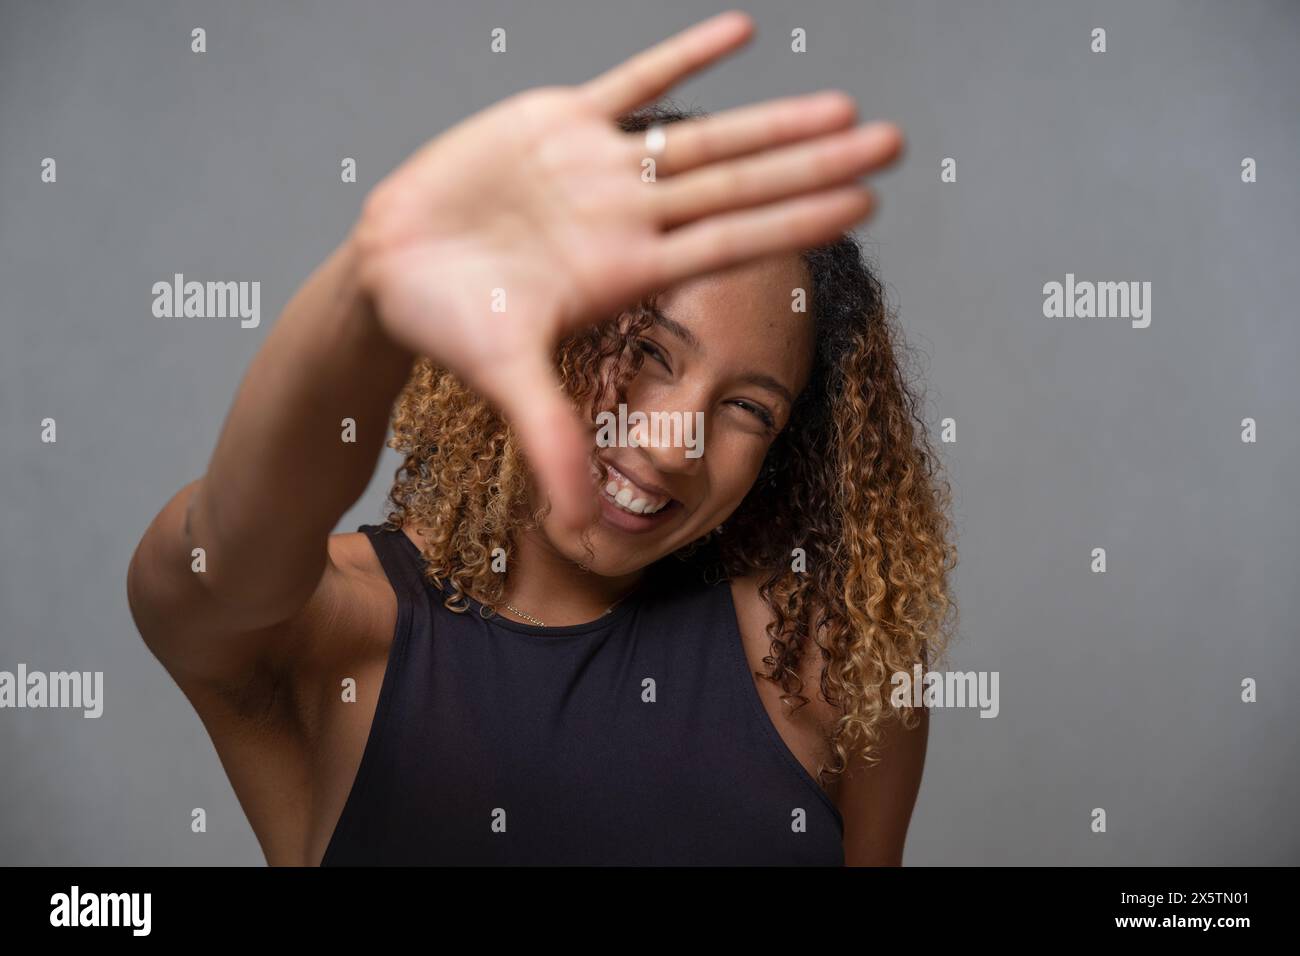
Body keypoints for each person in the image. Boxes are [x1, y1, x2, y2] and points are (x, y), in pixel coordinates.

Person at [127, 10, 956, 866]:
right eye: (643, 350)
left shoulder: (826, 663)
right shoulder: (336, 635)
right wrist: (364, 291)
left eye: (749, 408)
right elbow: (216, 556)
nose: (676, 443)